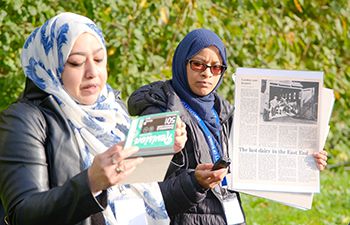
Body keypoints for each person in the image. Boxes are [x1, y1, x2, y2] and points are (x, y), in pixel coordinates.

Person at [0, 12, 188, 225]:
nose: (92, 72)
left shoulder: (112, 108)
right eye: (76, 62)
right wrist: (90, 184)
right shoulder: (23, 119)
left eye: (99, 59)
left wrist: (164, 149)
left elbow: (135, 181)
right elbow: (22, 214)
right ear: (51, 66)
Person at [128, 29, 328, 225]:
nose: (207, 74)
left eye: (216, 67)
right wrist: (194, 183)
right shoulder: (157, 111)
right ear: (182, 63)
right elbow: (140, 192)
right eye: (198, 64)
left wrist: (304, 160)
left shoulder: (223, 112)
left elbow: (261, 159)